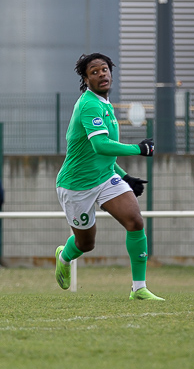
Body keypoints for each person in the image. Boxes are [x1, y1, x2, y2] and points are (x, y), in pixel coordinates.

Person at [53, 53, 163, 300]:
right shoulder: (89, 104)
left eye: (105, 69)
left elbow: (104, 157)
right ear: (86, 78)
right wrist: (139, 149)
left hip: (104, 178)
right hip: (76, 185)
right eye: (94, 71)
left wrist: (125, 177)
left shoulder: (105, 104)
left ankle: (139, 288)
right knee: (85, 244)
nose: (102, 74)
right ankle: (63, 256)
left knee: (135, 221)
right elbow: (101, 146)